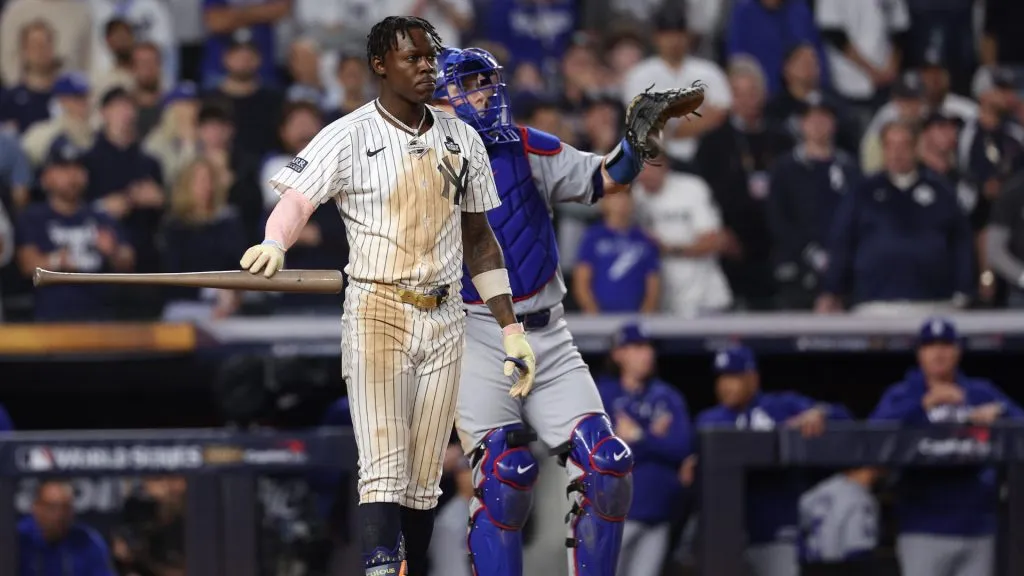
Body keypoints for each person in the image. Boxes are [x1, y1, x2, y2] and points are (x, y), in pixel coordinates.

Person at [238, 17, 536, 576]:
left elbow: (480, 240)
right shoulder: (347, 132)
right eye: (413, 58)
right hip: (378, 307)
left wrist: (512, 329)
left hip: (445, 311)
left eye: (431, 57)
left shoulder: (462, 137)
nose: (427, 67)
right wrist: (275, 242)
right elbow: (299, 200)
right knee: (383, 465)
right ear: (381, 64)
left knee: (424, 482)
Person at [434, 44, 660, 576]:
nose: (483, 95)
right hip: (474, 334)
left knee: (609, 466)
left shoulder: (527, 147)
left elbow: (607, 177)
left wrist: (636, 140)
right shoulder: (416, 167)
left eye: (484, 82)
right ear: (438, 100)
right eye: (467, 85)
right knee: (505, 477)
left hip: (548, 332)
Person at [869, 317, 1024, 576]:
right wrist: (923, 406)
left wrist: (1001, 412)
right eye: (930, 346)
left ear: (958, 351)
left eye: (945, 345)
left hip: (977, 527)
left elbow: (1019, 422)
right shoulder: (904, 394)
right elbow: (874, 435)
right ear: (920, 353)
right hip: (923, 528)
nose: (938, 353)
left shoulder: (979, 392)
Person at [683, 345, 851, 576]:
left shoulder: (780, 407)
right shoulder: (709, 420)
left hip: (774, 529)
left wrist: (819, 413)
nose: (725, 385)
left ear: (752, 378)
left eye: (734, 377)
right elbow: (688, 470)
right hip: (723, 535)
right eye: (722, 378)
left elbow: (842, 416)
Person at [818, 121, 974, 315]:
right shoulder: (862, 193)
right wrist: (832, 289)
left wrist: (964, 288)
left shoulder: (941, 191)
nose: (896, 153)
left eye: (903, 145)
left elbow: (961, 241)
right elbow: (843, 242)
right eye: (890, 146)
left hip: (933, 302)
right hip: (875, 303)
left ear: (916, 147)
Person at [597, 323, 691, 576]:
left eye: (648, 347)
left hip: (659, 513)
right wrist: (655, 437)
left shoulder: (667, 396)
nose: (647, 354)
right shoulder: (602, 394)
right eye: (637, 347)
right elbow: (601, 454)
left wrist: (639, 436)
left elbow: (681, 448)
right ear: (618, 354)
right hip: (613, 513)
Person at [16, 139, 134, 321]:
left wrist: (114, 253)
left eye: (78, 168)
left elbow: (128, 260)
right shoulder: (33, 217)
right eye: (63, 169)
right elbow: (27, 265)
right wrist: (56, 261)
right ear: (46, 177)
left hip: (101, 318)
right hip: (53, 319)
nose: (72, 176)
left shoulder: (101, 217)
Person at [766, 94, 861, 310]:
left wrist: (840, 259)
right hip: (797, 272)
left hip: (845, 273)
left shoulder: (850, 168)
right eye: (810, 118)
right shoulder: (785, 168)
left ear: (834, 123)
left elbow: (857, 218)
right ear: (801, 124)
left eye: (824, 118)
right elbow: (778, 219)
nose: (817, 124)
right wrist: (809, 253)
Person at [573, 190, 661, 314]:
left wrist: (646, 314)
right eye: (616, 197)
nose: (622, 202)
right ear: (604, 203)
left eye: (626, 197)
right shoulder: (592, 237)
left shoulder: (645, 239)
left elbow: (653, 283)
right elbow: (581, 281)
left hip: (636, 318)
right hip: (599, 318)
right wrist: (593, 313)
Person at [18, 480, 115, 576]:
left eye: (65, 508)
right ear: (37, 508)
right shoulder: (19, 539)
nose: (59, 514)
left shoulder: (87, 541)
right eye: (52, 507)